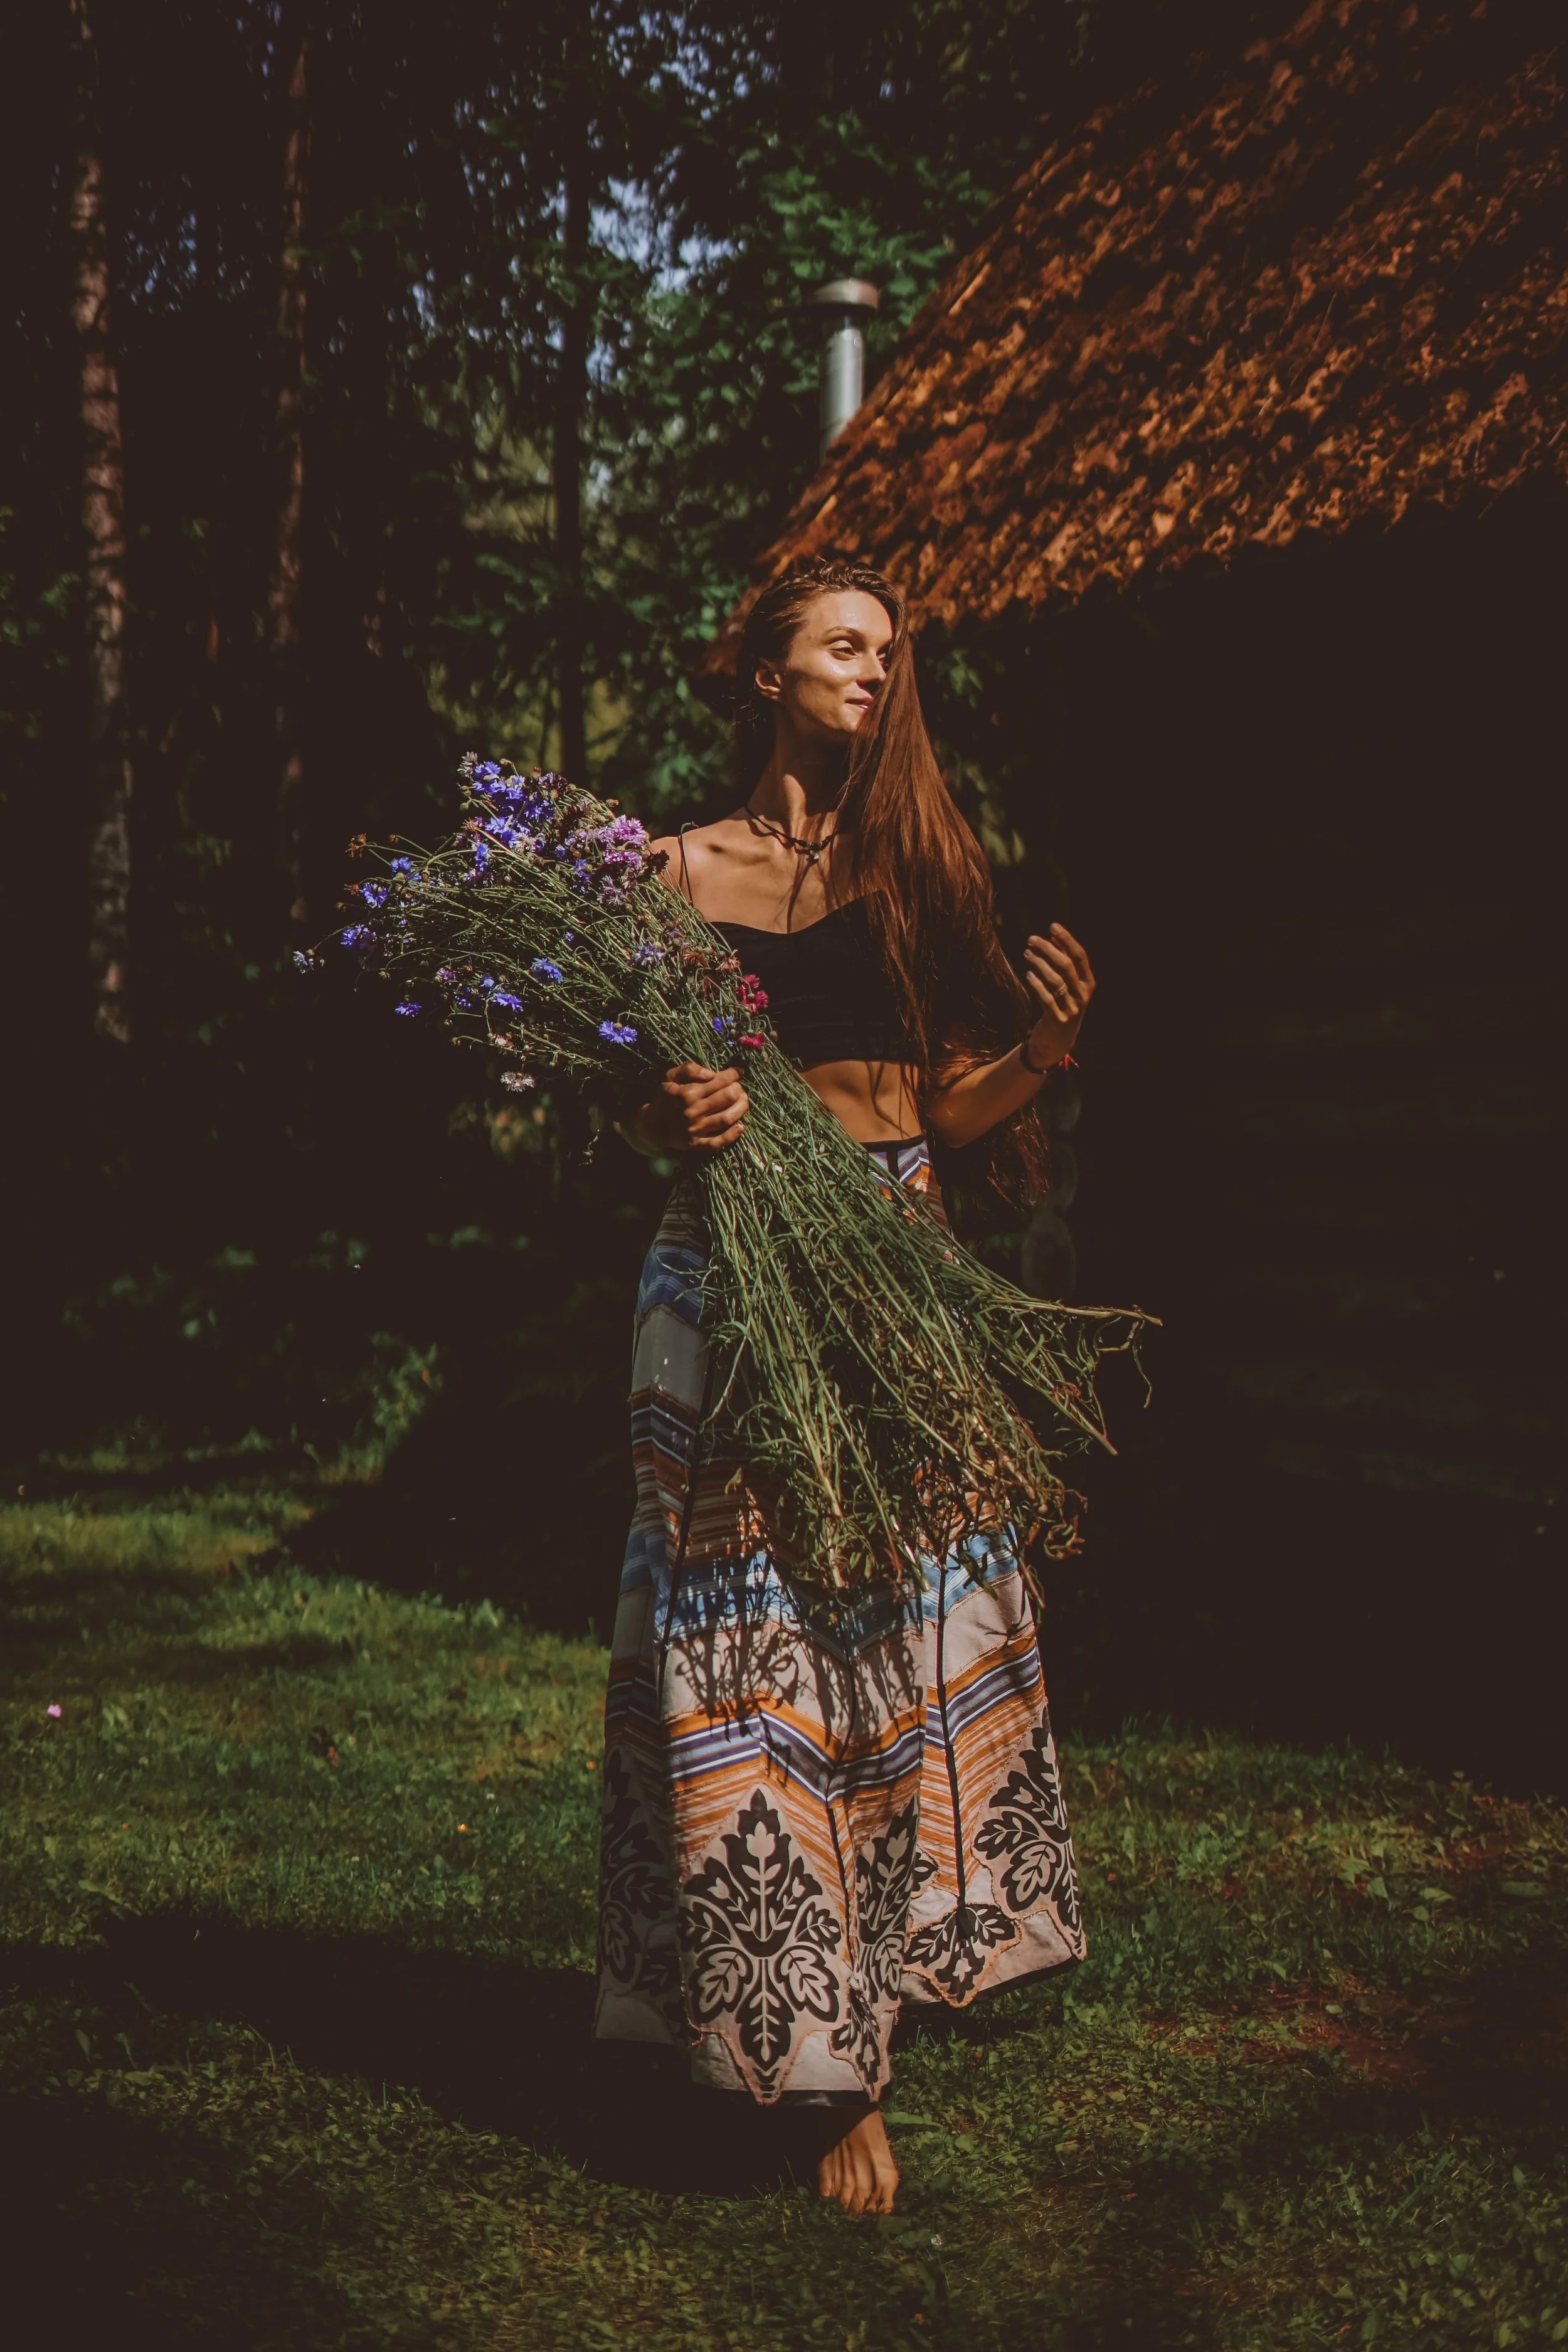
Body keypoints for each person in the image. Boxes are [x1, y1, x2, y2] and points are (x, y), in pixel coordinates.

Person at [594, 558, 1094, 2215]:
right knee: (744, 1656)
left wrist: (1043, 1049)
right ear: (765, 672)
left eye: (889, 651)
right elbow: (630, 1113)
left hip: (887, 1264)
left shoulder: (920, 869)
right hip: (724, 1278)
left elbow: (949, 1107)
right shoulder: (665, 873)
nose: (873, 671)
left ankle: (858, 2012)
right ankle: (813, 2071)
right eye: (842, 645)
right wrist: (669, 1119)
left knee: (894, 1651)